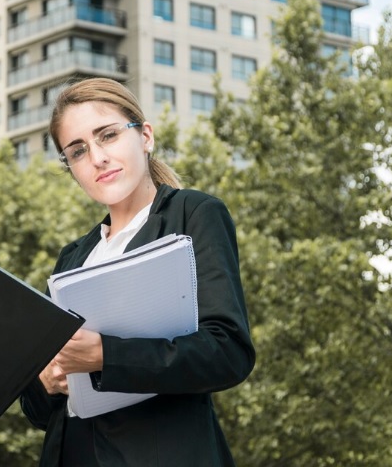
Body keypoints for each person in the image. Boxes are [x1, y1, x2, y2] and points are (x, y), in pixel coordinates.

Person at [20, 77, 255, 466]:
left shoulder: (193, 214)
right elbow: (38, 411)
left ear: (144, 136)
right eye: (77, 151)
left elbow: (228, 352)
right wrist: (45, 383)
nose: (97, 158)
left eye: (108, 136)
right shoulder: (73, 258)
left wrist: (105, 355)